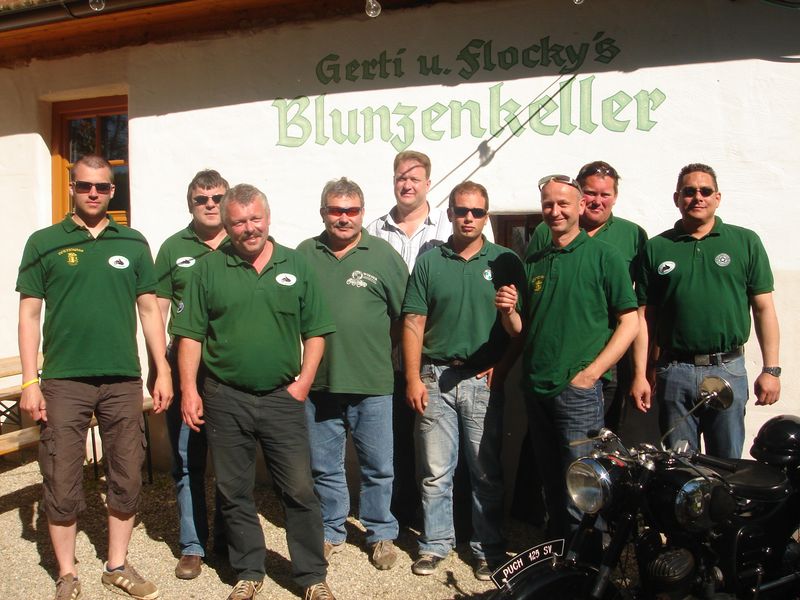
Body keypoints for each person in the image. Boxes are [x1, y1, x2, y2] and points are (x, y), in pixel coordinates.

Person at [17, 154, 172, 600]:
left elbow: (149, 310)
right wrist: (29, 382)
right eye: (85, 185)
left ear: (112, 190)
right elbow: (29, 315)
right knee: (61, 475)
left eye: (102, 187)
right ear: (72, 187)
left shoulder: (133, 242)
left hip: (122, 379)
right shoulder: (43, 242)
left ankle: (116, 565)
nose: (93, 193)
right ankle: (67, 572)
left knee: (127, 473)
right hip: (64, 380)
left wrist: (161, 368)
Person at [172, 183, 338, 600]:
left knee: (299, 489)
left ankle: (312, 577)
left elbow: (316, 331)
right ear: (227, 226)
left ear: (268, 217)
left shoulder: (295, 264)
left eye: (255, 219)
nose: (249, 229)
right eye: (239, 222)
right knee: (234, 490)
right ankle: (249, 570)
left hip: (283, 398)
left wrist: (303, 383)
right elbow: (190, 336)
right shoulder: (208, 269)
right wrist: (189, 390)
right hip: (225, 397)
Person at [497, 174, 638, 540]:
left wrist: (592, 374)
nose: (555, 211)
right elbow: (520, 329)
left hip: (578, 392)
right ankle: (561, 556)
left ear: (580, 206)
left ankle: (587, 560)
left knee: (583, 488)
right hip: (537, 389)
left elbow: (630, 322)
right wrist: (508, 311)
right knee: (551, 484)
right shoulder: (535, 261)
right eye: (548, 204)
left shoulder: (604, 256)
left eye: (563, 203)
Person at [402, 181, 524, 580]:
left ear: (486, 216)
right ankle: (435, 544)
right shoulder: (430, 262)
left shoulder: (505, 260)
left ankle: (488, 548)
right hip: (436, 376)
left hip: (482, 380)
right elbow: (414, 320)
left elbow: (520, 329)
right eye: (461, 211)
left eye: (476, 212)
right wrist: (413, 377)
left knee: (485, 471)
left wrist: (503, 364)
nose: (468, 218)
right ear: (450, 213)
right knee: (435, 471)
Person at [367, 150, 492, 532]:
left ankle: (459, 524)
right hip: (387, 356)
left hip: (437, 357)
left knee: (453, 449)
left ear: (428, 183)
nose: (407, 185)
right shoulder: (373, 231)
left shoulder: (447, 226)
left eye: (414, 178)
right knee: (398, 443)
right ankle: (403, 519)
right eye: (401, 178)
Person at [631, 163, 780, 459]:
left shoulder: (745, 242)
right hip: (674, 371)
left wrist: (771, 369)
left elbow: (764, 309)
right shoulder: (657, 247)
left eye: (705, 191)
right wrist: (640, 374)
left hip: (727, 369)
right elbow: (645, 318)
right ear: (677, 198)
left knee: (726, 463)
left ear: (717, 198)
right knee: (679, 466)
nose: (697, 197)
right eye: (689, 191)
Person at [297, 177, 408, 571]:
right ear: (323, 212)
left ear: (362, 213)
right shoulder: (304, 254)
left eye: (351, 210)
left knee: (378, 466)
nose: (343, 218)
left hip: (372, 382)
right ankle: (331, 529)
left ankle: (380, 533)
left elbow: (405, 317)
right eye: (336, 210)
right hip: (320, 383)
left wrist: (378, 348)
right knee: (324, 465)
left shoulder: (383, 256)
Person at [153, 169, 229, 579]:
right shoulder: (173, 248)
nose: (210, 204)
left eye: (217, 197)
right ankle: (192, 544)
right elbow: (157, 311)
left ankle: (228, 539)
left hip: (229, 370)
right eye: (202, 199)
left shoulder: (244, 242)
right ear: (190, 204)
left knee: (231, 460)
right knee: (186, 460)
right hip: (185, 369)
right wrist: (159, 370)